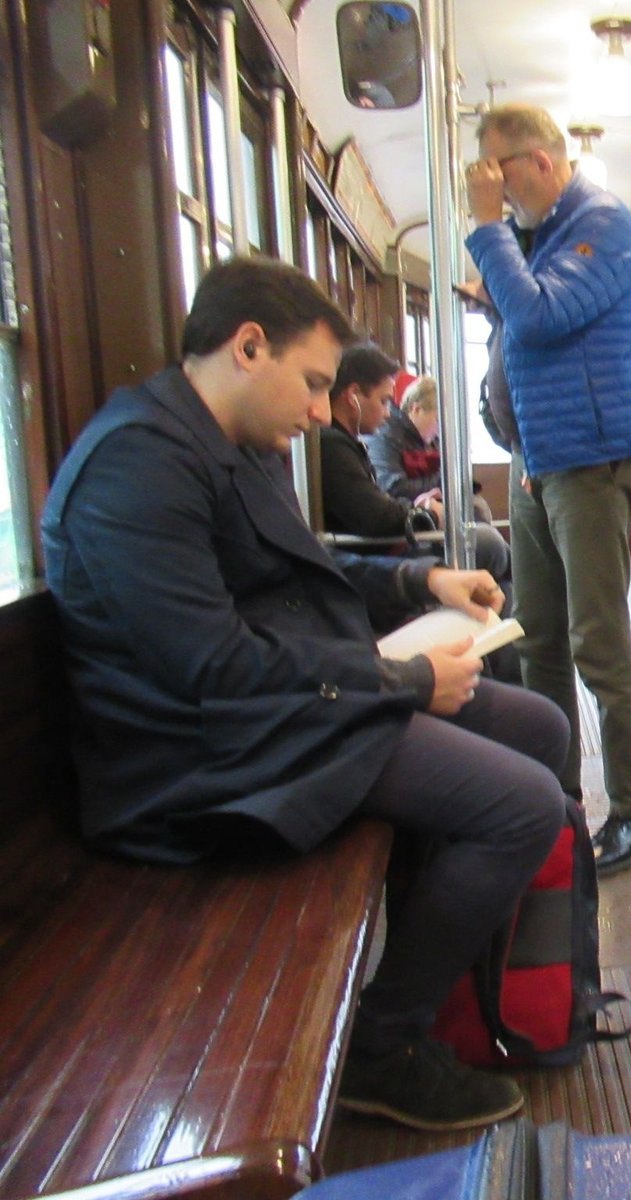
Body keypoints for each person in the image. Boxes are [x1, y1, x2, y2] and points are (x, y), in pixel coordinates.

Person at [40, 257, 573, 1132]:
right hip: (204, 757)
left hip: (281, 711)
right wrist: (403, 681)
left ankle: (448, 977)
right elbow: (212, 667)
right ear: (250, 347)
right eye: (316, 383)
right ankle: (383, 1046)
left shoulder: (227, 448)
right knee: (523, 805)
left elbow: (304, 572)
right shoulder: (135, 469)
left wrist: (420, 581)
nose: (325, 411)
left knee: (540, 727)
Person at [465, 104, 631, 876]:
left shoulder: (602, 224)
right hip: (536, 459)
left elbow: (542, 317)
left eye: (501, 176)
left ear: (540, 162)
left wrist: (487, 230)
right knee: (537, 636)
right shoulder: (542, 235)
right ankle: (559, 798)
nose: (497, 193)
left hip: (589, 462)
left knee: (597, 642)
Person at [320, 343, 512, 616]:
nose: (388, 412)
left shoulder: (346, 442)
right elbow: (375, 515)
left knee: (495, 560)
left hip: (378, 547)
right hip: (368, 559)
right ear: (354, 396)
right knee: (487, 544)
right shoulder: (334, 444)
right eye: (384, 401)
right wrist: (426, 514)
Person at [369, 375, 497, 525]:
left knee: (478, 509)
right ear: (416, 409)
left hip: (429, 507)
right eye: (438, 420)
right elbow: (394, 487)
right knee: (483, 530)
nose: (440, 431)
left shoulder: (431, 439)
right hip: (406, 516)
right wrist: (443, 480)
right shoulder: (385, 436)